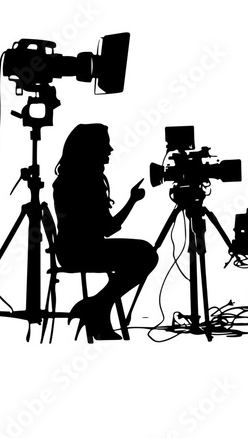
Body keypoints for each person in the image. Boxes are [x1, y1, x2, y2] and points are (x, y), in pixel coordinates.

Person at [53, 123, 158, 340]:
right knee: (146, 254)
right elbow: (109, 229)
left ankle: (98, 306)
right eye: (105, 145)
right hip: (82, 252)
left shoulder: (66, 180)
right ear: (90, 149)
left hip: (71, 250)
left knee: (143, 252)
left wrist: (131, 200)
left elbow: (105, 228)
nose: (110, 150)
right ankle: (98, 305)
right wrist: (132, 202)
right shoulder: (88, 183)